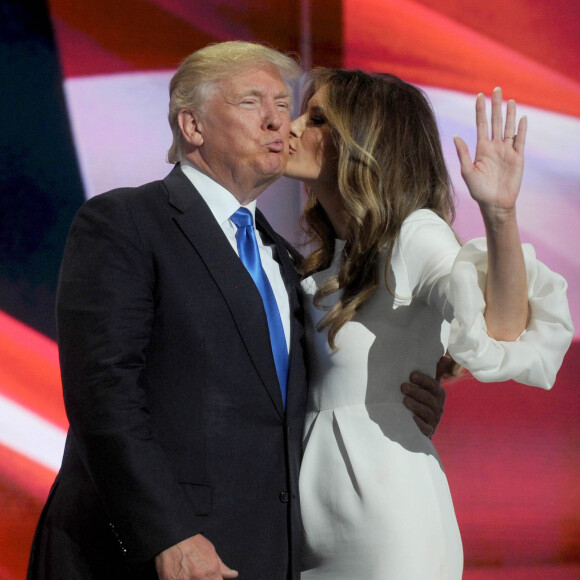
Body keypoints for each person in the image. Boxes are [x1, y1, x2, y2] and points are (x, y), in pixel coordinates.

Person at [26, 43, 448, 580]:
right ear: (193, 126)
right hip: (145, 556)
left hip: (265, 554)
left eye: (282, 101)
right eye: (252, 102)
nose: (280, 120)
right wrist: (168, 535)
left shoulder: (290, 263)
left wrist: (396, 396)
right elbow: (103, 395)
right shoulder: (125, 221)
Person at [283, 69, 573, 579]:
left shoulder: (414, 234)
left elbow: (500, 329)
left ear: (362, 141)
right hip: (310, 525)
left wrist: (499, 214)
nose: (291, 126)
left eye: (317, 119)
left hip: (385, 525)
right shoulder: (327, 258)